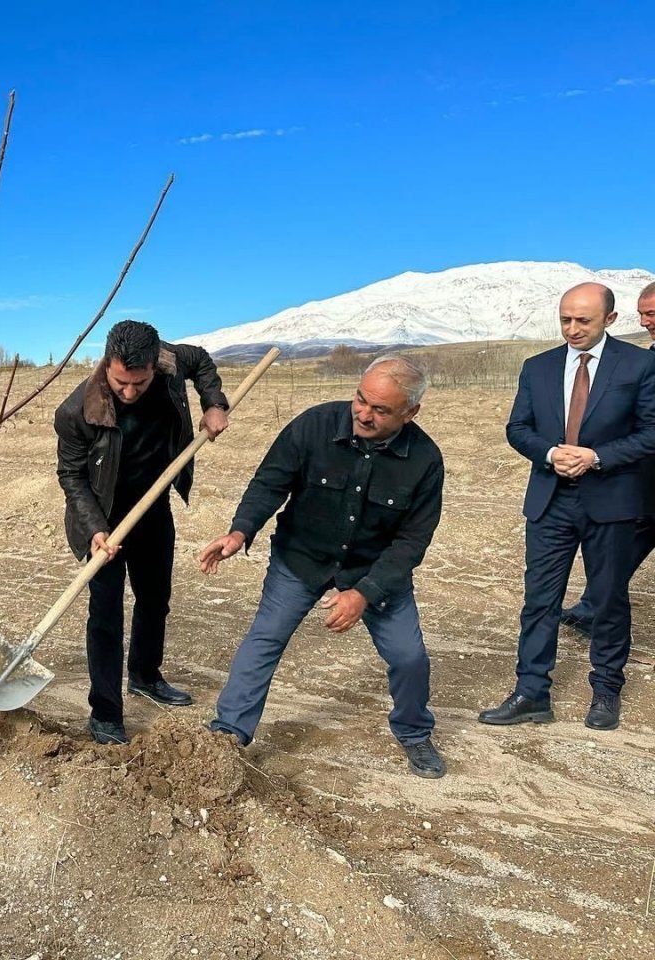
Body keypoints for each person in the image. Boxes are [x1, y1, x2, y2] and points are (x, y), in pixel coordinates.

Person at [201, 355, 447, 779]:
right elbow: (270, 482)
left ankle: (413, 732)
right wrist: (240, 531)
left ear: (411, 412)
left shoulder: (425, 461)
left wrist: (364, 593)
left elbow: (411, 542)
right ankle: (228, 735)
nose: (364, 414)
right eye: (361, 399)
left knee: (409, 656)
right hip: (301, 558)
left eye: (380, 409)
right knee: (264, 640)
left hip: (373, 570)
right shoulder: (313, 425)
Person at [480, 282, 655, 732]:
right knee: (540, 601)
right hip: (550, 499)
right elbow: (518, 427)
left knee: (609, 600)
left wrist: (596, 457)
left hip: (611, 499)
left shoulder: (640, 365)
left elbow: (652, 432)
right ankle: (531, 692)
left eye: (583, 321)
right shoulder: (537, 368)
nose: (572, 329)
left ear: (610, 321)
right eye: (565, 320)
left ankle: (605, 692)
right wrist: (550, 453)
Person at [54, 320, 229, 745]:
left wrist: (213, 402)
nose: (129, 392)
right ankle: (106, 711)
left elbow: (202, 362)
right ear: (105, 364)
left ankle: (146, 676)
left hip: (153, 508)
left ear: (154, 366)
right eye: (120, 383)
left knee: (155, 598)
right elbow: (71, 476)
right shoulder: (77, 410)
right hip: (104, 519)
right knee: (106, 614)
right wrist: (96, 529)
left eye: (139, 383)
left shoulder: (171, 361)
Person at [560, 281, 655, 635]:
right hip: (642, 479)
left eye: (652, 313)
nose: (645, 321)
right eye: (643, 314)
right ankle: (592, 607)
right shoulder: (646, 358)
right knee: (622, 549)